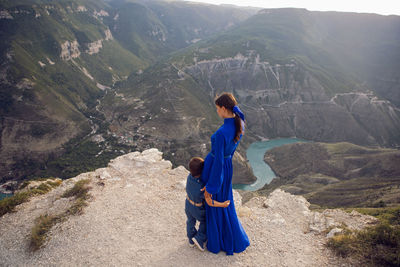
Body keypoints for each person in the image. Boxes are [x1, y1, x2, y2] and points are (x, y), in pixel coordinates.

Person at [201, 92, 250, 255]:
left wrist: (211, 186)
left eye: (217, 108)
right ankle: (230, 236)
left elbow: (218, 161)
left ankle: (218, 241)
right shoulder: (240, 123)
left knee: (214, 201)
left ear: (223, 108)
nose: (216, 111)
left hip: (217, 167)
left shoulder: (222, 132)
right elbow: (225, 158)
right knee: (225, 201)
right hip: (227, 166)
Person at [185, 157, 230, 252]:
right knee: (205, 221)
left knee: (190, 221)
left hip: (188, 204)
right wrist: (223, 204)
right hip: (197, 208)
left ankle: (191, 239)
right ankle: (199, 238)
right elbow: (210, 202)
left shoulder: (189, 176)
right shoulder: (202, 187)